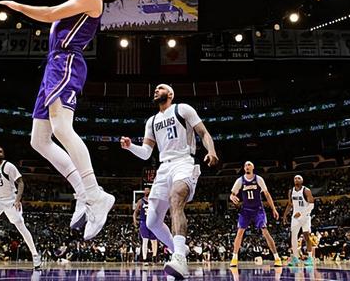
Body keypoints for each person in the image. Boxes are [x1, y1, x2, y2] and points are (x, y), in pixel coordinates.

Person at [0, 0, 120, 240]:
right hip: (55, 64)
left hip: (66, 62)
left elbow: (52, 13)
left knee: (62, 128)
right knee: (39, 140)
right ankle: (83, 191)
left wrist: (19, 7)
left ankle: (95, 194)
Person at [120, 84, 219, 280]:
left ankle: (179, 257)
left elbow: (204, 133)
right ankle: (178, 250)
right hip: (164, 167)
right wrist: (131, 147)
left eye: (160, 88)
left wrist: (211, 150)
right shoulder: (152, 121)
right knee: (152, 221)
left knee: (176, 198)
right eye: (155, 89)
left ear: (170, 94)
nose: (156, 90)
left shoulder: (182, 109)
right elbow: (146, 153)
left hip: (184, 162)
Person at [229, 161, 282, 267]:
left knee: (265, 231)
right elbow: (232, 194)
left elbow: (267, 194)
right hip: (245, 210)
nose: (247, 167)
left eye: (249, 165)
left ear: (253, 167)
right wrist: (232, 197)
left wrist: (274, 209)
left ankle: (277, 258)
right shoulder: (240, 180)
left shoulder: (258, 179)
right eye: (245, 165)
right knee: (239, 233)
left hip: (258, 209)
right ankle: (234, 258)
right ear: (244, 168)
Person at [282, 175, 314, 266]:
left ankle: (310, 258)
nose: (296, 179)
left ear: (302, 181)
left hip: (305, 217)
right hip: (295, 217)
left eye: (298, 178)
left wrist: (301, 213)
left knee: (306, 237)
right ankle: (295, 258)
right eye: (295, 178)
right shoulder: (291, 191)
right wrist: (285, 215)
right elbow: (290, 204)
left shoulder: (306, 190)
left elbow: (311, 205)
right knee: (293, 237)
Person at [133, 187, 158, 264]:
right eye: (145, 190)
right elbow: (135, 212)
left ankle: (154, 257)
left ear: (150, 191)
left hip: (153, 222)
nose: (146, 191)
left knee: (154, 240)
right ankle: (145, 258)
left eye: (148, 190)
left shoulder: (154, 201)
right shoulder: (140, 201)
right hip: (144, 221)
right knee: (145, 240)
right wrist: (134, 220)